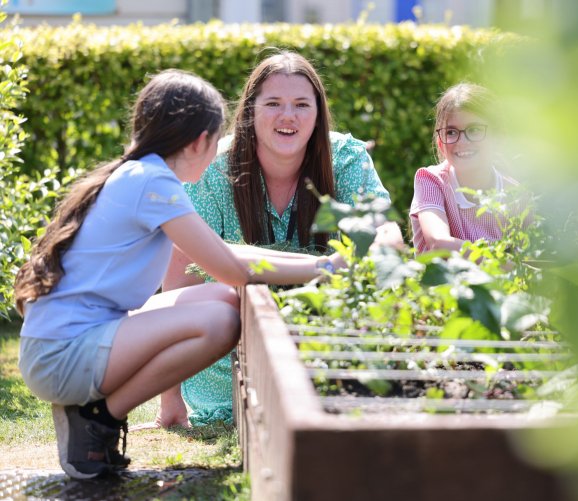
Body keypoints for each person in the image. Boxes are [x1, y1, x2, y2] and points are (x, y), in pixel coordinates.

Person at [13, 69, 344, 479]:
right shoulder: (153, 183)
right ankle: (97, 417)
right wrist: (323, 268)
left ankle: (94, 414)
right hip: (61, 356)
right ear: (199, 141)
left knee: (222, 298)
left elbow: (224, 255)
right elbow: (229, 267)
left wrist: (326, 266)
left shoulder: (142, 174)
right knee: (221, 321)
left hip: (69, 343)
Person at [157, 51, 402, 428]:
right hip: (230, 361)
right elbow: (181, 278)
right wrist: (169, 402)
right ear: (251, 110)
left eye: (302, 104)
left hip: (327, 344)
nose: (288, 116)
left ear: (318, 113)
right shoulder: (215, 169)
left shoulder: (346, 161)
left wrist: (384, 241)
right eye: (273, 103)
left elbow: (384, 232)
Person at [410, 83, 520, 254]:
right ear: (440, 143)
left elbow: (526, 258)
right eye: (451, 132)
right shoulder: (431, 181)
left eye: (474, 130)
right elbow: (438, 243)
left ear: (499, 137)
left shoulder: (514, 194)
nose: (462, 141)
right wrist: (504, 264)